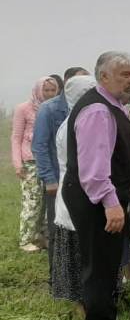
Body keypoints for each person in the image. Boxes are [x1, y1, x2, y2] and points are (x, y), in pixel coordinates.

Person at [61, 52, 130, 320]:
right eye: (125, 75)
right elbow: (94, 170)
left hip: (104, 196)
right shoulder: (97, 110)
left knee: (106, 261)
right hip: (96, 199)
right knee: (100, 264)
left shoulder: (112, 105)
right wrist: (111, 203)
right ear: (104, 77)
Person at [32, 67, 89, 259]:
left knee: (77, 229)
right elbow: (39, 146)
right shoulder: (49, 109)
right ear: (67, 84)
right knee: (57, 229)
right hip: (57, 179)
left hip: (82, 181)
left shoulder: (88, 108)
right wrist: (49, 179)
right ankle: (55, 279)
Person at [51, 74, 98, 305]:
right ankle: (81, 306)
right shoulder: (74, 124)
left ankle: (89, 302)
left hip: (81, 197)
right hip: (76, 198)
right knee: (78, 256)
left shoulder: (79, 121)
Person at [12, 76, 61, 251]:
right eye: (45, 90)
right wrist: (18, 164)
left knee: (48, 202)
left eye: (52, 90)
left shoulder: (54, 109)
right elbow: (16, 137)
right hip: (30, 161)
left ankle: (43, 236)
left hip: (49, 160)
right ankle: (26, 239)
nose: (48, 94)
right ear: (38, 90)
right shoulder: (24, 109)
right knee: (32, 201)